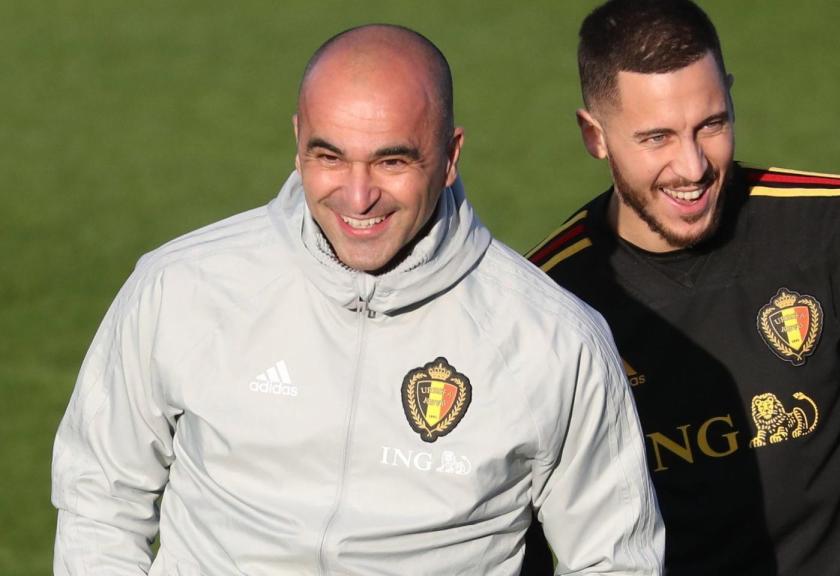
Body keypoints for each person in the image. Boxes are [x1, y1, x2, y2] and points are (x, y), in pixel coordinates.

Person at [51, 24, 664, 575]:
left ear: (449, 158)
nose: (358, 195)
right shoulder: (178, 287)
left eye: (392, 160)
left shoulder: (555, 338)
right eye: (329, 157)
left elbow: (616, 559)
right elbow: (99, 494)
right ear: (298, 142)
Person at [523, 1, 840, 574]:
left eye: (711, 124)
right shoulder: (549, 297)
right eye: (657, 138)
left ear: (730, 94)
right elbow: (524, 519)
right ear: (594, 135)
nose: (692, 166)